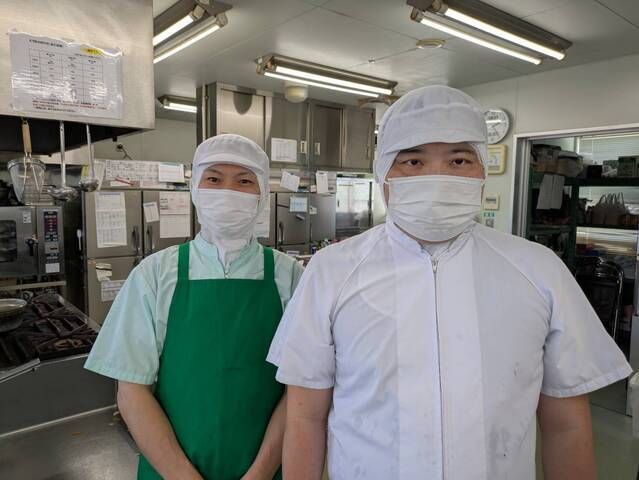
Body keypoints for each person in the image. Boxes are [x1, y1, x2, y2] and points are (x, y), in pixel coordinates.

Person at [267, 86, 633, 480]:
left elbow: (566, 426)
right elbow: (306, 417)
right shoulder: (331, 272)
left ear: (483, 171)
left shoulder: (539, 271)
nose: (437, 178)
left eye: (459, 160)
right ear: (382, 173)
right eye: (413, 161)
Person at [85, 134, 304, 480]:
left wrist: (260, 473)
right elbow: (132, 392)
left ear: (263, 194)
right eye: (214, 179)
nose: (227, 191)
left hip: (268, 467)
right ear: (195, 189)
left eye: (244, 181)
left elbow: (300, 389)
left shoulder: (290, 276)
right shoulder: (155, 274)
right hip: (169, 469)